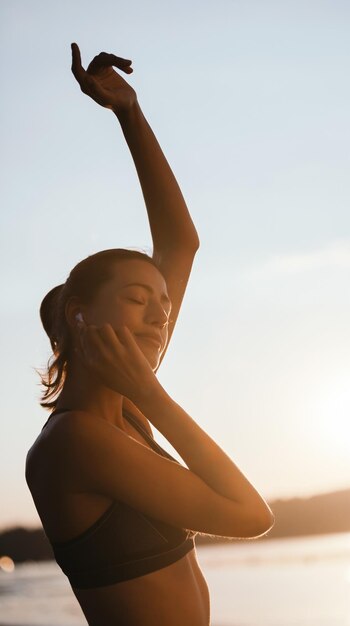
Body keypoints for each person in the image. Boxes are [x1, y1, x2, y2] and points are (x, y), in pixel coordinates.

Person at [25, 43, 274, 626]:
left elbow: (180, 243)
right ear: (80, 315)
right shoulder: (73, 441)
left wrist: (130, 114)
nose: (160, 315)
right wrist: (154, 395)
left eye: (162, 305)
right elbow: (249, 516)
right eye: (138, 300)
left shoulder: (127, 409)